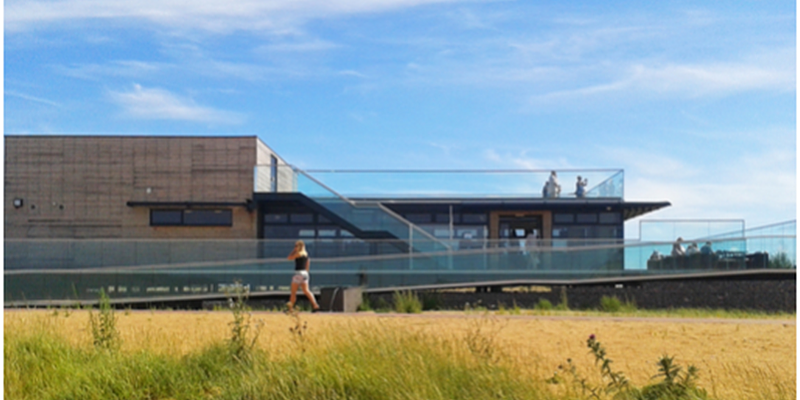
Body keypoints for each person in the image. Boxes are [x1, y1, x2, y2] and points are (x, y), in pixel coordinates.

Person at [286, 240, 320, 313]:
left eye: (296, 246)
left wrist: (293, 251)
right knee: (306, 290)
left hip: (298, 273)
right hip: (305, 273)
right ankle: (315, 304)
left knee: (293, 292)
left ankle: (290, 308)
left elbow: (289, 257)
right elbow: (308, 264)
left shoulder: (298, 254)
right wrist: (306, 272)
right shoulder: (306, 254)